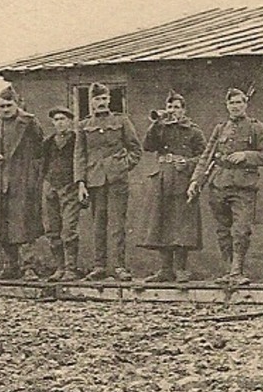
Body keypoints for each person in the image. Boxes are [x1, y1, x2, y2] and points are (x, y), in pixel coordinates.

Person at [189, 86, 263, 284]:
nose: (235, 107)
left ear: (246, 104)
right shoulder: (220, 129)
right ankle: (229, 270)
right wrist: (195, 181)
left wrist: (246, 155)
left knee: (241, 229)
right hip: (219, 184)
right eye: (232, 103)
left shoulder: (256, 127)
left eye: (239, 102)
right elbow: (206, 156)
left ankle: (237, 271)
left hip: (243, 186)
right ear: (227, 106)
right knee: (223, 230)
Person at [74, 82, 143, 281]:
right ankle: (99, 266)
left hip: (117, 180)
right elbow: (79, 156)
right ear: (91, 102)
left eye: (104, 98)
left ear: (109, 100)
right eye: (97, 99)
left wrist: (122, 166)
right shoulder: (84, 125)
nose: (101, 102)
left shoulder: (121, 120)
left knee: (117, 224)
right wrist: (80, 183)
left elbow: (135, 150)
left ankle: (119, 266)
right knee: (98, 224)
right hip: (94, 180)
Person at [0, 84, 47, 280]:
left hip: (22, 180)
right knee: (2, 225)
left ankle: (29, 267)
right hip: (0, 180)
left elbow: (40, 151)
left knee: (24, 224)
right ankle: (10, 265)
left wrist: (34, 177)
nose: (5, 110)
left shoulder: (29, 123)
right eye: (1, 106)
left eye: (8, 106)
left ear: (17, 105)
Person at [140, 91, 206, 282]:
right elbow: (148, 146)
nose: (172, 111)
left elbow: (204, 156)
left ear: (184, 110)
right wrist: (155, 124)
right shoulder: (161, 128)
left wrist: (188, 163)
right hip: (163, 180)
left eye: (176, 107)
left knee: (182, 224)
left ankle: (181, 269)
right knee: (161, 223)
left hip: (183, 180)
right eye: (169, 107)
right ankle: (165, 269)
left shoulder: (194, 131)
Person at [40, 106, 81, 280]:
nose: (59, 123)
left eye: (63, 119)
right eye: (56, 120)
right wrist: (46, 183)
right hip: (51, 188)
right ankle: (60, 268)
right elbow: (43, 164)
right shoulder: (48, 142)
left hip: (70, 187)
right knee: (52, 229)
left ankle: (71, 268)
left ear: (70, 121)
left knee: (69, 228)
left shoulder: (77, 140)